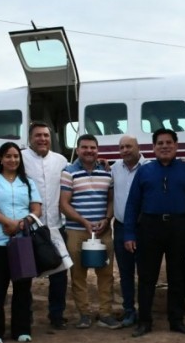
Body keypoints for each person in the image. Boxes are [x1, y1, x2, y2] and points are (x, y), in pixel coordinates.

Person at [124, 128, 185, 337]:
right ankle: (144, 321)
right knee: (146, 277)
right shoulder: (144, 171)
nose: (164, 146)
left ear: (176, 146)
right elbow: (133, 204)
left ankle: (176, 320)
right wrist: (129, 233)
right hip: (150, 227)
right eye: (160, 143)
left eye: (169, 142)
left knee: (177, 276)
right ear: (153, 147)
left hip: (180, 227)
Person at [0, 142, 43, 343]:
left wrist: (23, 223)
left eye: (16, 156)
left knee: (23, 286)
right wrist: (8, 222)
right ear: (0, 159)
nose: (12, 160)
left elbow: (37, 209)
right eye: (8, 156)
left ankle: (21, 330)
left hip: (23, 241)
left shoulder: (28, 181)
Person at [59, 134, 121, 329]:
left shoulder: (107, 172)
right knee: (78, 274)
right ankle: (84, 314)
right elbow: (64, 204)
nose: (89, 151)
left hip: (103, 231)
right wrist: (84, 222)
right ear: (77, 150)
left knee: (106, 274)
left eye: (93, 147)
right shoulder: (68, 172)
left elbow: (111, 200)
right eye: (84, 147)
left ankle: (105, 313)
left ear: (97, 150)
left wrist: (107, 218)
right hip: (77, 230)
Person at [22, 122, 70, 330]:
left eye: (46, 135)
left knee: (59, 273)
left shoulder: (61, 160)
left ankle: (56, 315)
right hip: (29, 227)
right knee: (26, 274)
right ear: (30, 138)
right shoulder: (21, 157)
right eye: (38, 136)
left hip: (56, 226)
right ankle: (25, 316)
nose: (42, 139)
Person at [111, 135, 148, 327]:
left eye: (129, 146)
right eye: (122, 147)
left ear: (138, 147)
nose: (125, 150)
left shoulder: (149, 167)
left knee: (144, 272)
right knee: (125, 272)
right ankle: (128, 311)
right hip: (121, 227)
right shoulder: (114, 168)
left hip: (143, 228)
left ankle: (144, 311)